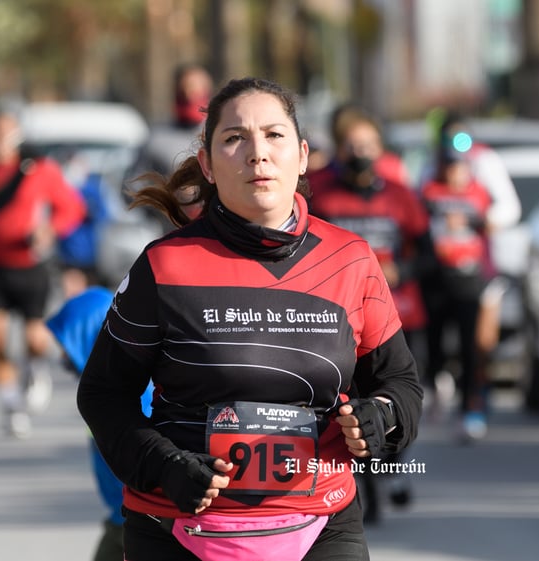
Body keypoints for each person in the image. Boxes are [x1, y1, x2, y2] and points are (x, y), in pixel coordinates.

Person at [77, 77, 423, 561]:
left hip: (321, 523)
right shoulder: (164, 265)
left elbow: (400, 382)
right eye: (234, 138)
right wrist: (164, 464)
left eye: (274, 135)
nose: (257, 153)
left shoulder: (352, 260)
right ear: (208, 165)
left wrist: (381, 417)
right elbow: (102, 393)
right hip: (178, 527)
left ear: (302, 156)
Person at [307, 103, 435, 522]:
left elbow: (430, 253)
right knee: (352, 404)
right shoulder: (322, 197)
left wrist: (405, 269)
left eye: (368, 144)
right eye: (352, 144)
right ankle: (362, 481)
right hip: (342, 320)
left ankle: (394, 468)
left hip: (401, 315)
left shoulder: (402, 198)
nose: (360, 151)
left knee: (400, 393)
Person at [0, 109, 86, 438]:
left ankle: (36, 370)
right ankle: (11, 405)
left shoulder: (39, 170)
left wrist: (49, 230)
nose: (0, 140)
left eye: (7, 133)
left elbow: (72, 208)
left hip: (29, 265)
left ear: (17, 136)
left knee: (34, 339)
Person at [45, 287, 154, 561]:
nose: (63, 358)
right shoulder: (103, 393)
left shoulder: (135, 395)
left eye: (68, 347)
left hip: (144, 518)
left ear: (90, 338)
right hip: (120, 515)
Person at [420, 145, 493, 442]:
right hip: (437, 278)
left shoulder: (478, 194)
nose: (456, 173)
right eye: (451, 167)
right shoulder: (430, 193)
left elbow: (489, 224)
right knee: (435, 343)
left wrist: (469, 222)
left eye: (461, 167)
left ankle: (468, 411)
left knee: (469, 349)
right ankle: (438, 384)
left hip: (468, 279)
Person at [140, 62, 213, 177]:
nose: (189, 96)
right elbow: (136, 185)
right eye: (183, 91)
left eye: (195, 91)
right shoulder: (157, 139)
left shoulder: (219, 136)